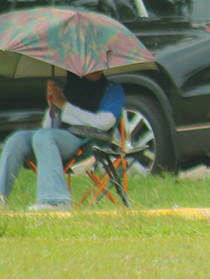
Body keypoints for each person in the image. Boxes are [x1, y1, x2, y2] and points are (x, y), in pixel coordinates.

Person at [0, 71, 125, 211]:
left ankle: (55, 201)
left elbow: (103, 123)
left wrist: (65, 106)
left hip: (86, 141)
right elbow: (47, 127)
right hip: (54, 140)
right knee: (17, 139)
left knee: (44, 137)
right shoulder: (67, 89)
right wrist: (53, 107)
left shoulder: (112, 90)